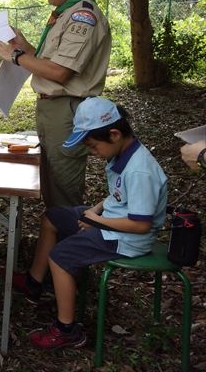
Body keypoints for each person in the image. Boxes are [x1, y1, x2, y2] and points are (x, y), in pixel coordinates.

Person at [13, 97, 167, 349]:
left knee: (61, 257)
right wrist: (96, 210)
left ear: (114, 134)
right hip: (110, 221)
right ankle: (33, 282)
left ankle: (67, 329)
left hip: (127, 238)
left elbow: (141, 225)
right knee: (52, 217)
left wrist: (98, 221)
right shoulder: (122, 154)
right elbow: (120, 195)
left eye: (93, 147)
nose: (92, 153)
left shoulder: (140, 170)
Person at [0, 0, 112, 208]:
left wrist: (15, 56)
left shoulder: (83, 16)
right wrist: (23, 46)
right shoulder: (64, 14)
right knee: (51, 180)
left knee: (64, 188)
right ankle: (55, 237)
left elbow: (60, 73)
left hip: (67, 111)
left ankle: (67, 243)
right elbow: (49, 62)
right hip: (52, 109)